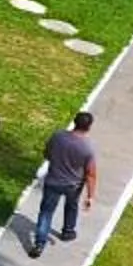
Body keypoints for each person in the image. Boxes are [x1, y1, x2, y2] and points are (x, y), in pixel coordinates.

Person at [30, 111, 99, 258]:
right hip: (73, 185)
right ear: (89, 127)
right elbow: (90, 174)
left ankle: (39, 244)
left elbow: (47, 154)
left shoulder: (58, 136)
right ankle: (68, 231)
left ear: (75, 122)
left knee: (46, 212)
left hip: (53, 181)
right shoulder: (87, 148)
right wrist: (90, 196)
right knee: (72, 206)